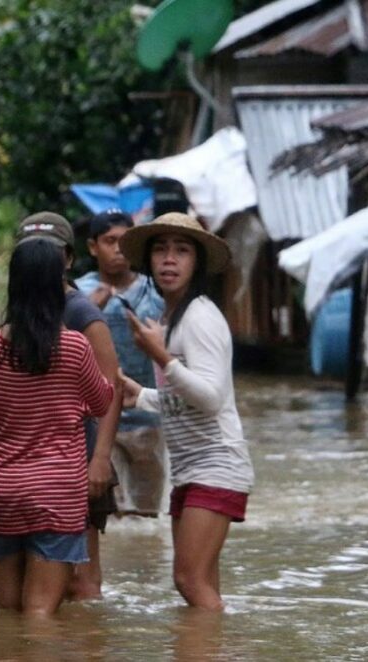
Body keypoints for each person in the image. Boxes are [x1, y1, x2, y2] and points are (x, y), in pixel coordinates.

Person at [118, 212, 254, 610]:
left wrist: (160, 355)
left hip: (217, 463)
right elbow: (186, 401)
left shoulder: (199, 318)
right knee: (201, 583)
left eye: (181, 251)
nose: (169, 260)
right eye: (160, 250)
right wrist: (141, 395)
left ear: (197, 263)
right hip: (192, 468)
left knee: (188, 579)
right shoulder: (170, 318)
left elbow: (211, 398)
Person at [0, 237, 115, 616]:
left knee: (5, 612)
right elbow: (102, 402)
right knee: (40, 615)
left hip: (2, 490)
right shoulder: (74, 347)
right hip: (57, 494)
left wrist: (10, 455)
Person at [15, 212, 122, 601]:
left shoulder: (80, 314)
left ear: (69, 260)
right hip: (35, 462)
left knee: (82, 580)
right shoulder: (20, 312)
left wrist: (101, 459)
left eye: (51, 253)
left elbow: (112, 392)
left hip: (80, 456)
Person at [75, 211, 166, 518]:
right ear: (92, 247)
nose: (117, 249)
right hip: (98, 419)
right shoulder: (78, 292)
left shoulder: (154, 291)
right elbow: (61, 342)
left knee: (145, 513)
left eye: (124, 242)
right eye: (109, 241)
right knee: (108, 512)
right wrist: (90, 309)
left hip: (147, 415)